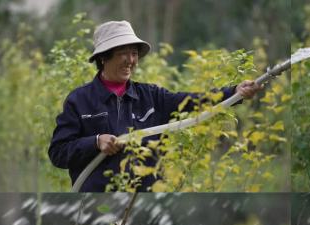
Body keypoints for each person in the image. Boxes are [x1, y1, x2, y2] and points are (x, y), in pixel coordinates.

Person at [48, 20, 261, 192]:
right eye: (123, 53)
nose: (130, 60)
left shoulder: (151, 96)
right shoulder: (79, 100)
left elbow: (192, 101)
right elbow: (58, 153)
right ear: (103, 57)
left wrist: (233, 92)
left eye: (134, 53)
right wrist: (94, 142)